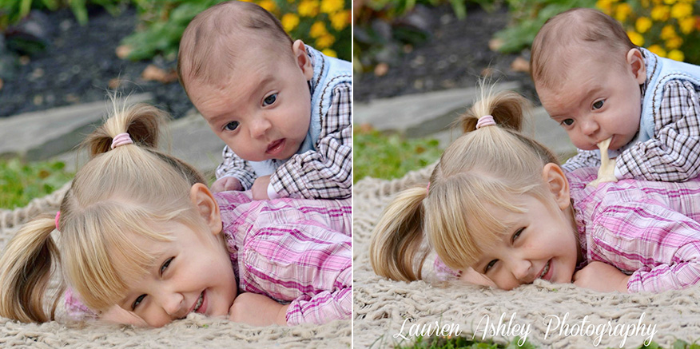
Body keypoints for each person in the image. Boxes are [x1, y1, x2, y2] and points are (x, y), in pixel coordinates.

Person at [0, 103, 351, 327]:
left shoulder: (269, 250)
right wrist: (116, 306)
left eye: (166, 266)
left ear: (205, 211)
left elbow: (358, 290)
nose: (171, 304)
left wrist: (281, 317)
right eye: (139, 300)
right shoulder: (159, 249)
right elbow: (87, 302)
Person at [370, 90, 700, 293]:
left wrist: (623, 286)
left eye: (517, 236)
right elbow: (455, 261)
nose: (519, 270)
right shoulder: (528, 212)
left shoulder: (615, 223)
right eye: (491, 265)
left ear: (557, 189)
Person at [177, 1, 352, 200]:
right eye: (232, 124)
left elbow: (343, 172)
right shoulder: (257, 121)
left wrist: (275, 185)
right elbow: (243, 159)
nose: (257, 129)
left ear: (302, 63)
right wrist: (236, 179)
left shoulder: (339, 94)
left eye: (269, 100)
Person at [530, 8, 700, 183]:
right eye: (568, 121)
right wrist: (565, 180)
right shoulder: (608, 127)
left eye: (597, 105)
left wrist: (613, 169)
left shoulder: (671, 91)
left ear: (635, 68)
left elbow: (680, 158)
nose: (587, 129)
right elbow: (591, 162)